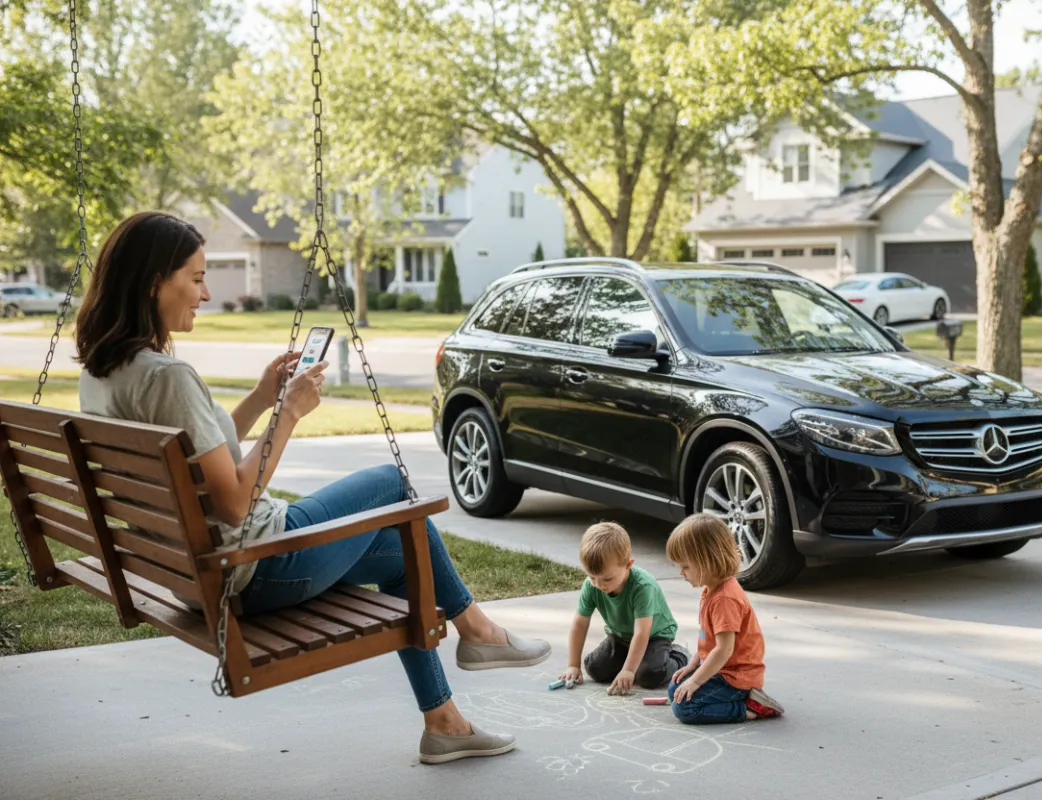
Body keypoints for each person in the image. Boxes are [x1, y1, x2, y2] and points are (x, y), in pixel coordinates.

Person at [73, 211, 550, 764]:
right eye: (197, 278)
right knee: (392, 484)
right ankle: (479, 631)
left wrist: (262, 396)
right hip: (256, 569)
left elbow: (200, 463)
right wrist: (289, 415)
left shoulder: (106, 372)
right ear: (156, 280)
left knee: (404, 558)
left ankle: (445, 721)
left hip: (190, 572)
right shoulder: (167, 377)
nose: (205, 293)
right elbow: (231, 502)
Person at [664, 514, 784, 724]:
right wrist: (693, 666)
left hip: (736, 678)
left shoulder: (725, 599)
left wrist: (695, 682)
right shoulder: (710, 589)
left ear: (707, 561)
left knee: (684, 708)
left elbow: (723, 650)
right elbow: (707, 641)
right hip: (720, 669)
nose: (682, 573)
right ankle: (726, 698)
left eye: (686, 566)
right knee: (675, 688)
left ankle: (749, 707)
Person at [559, 522, 688, 694]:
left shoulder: (642, 586)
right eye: (592, 577)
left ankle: (680, 656)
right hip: (620, 637)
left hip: (654, 637)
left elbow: (642, 632)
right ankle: (631, 659)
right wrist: (573, 665)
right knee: (595, 669)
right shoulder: (592, 586)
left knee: (649, 676)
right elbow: (580, 623)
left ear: (628, 565)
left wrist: (628, 670)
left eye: (607, 579)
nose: (599, 585)